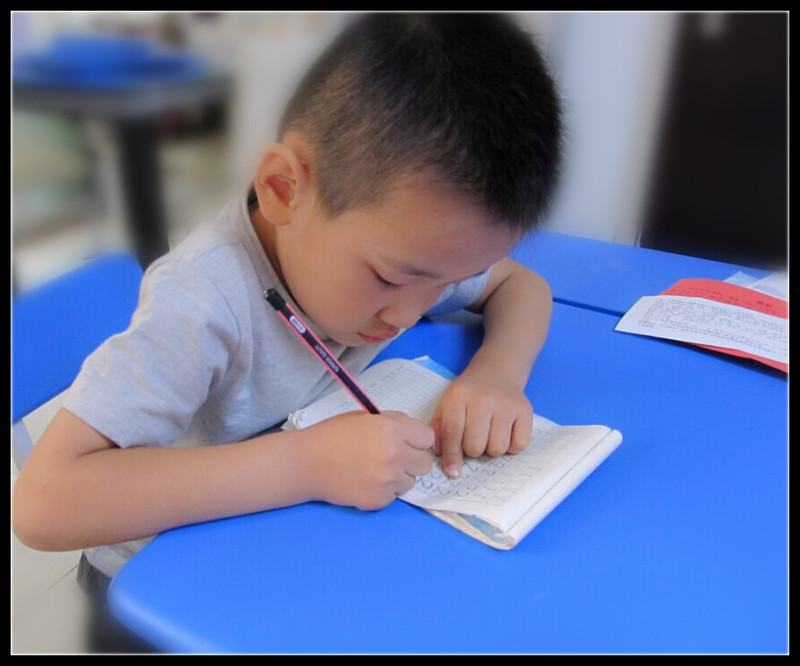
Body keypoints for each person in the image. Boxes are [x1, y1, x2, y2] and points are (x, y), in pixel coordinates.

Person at [12, 13, 562, 652]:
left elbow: (521, 286)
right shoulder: (203, 300)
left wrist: (498, 374)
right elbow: (44, 503)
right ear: (283, 190)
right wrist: (308, 463)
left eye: (448, 283)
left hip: (283, 543)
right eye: (390, 279)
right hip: (157, 591)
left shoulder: (409, 245)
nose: (410, 315)